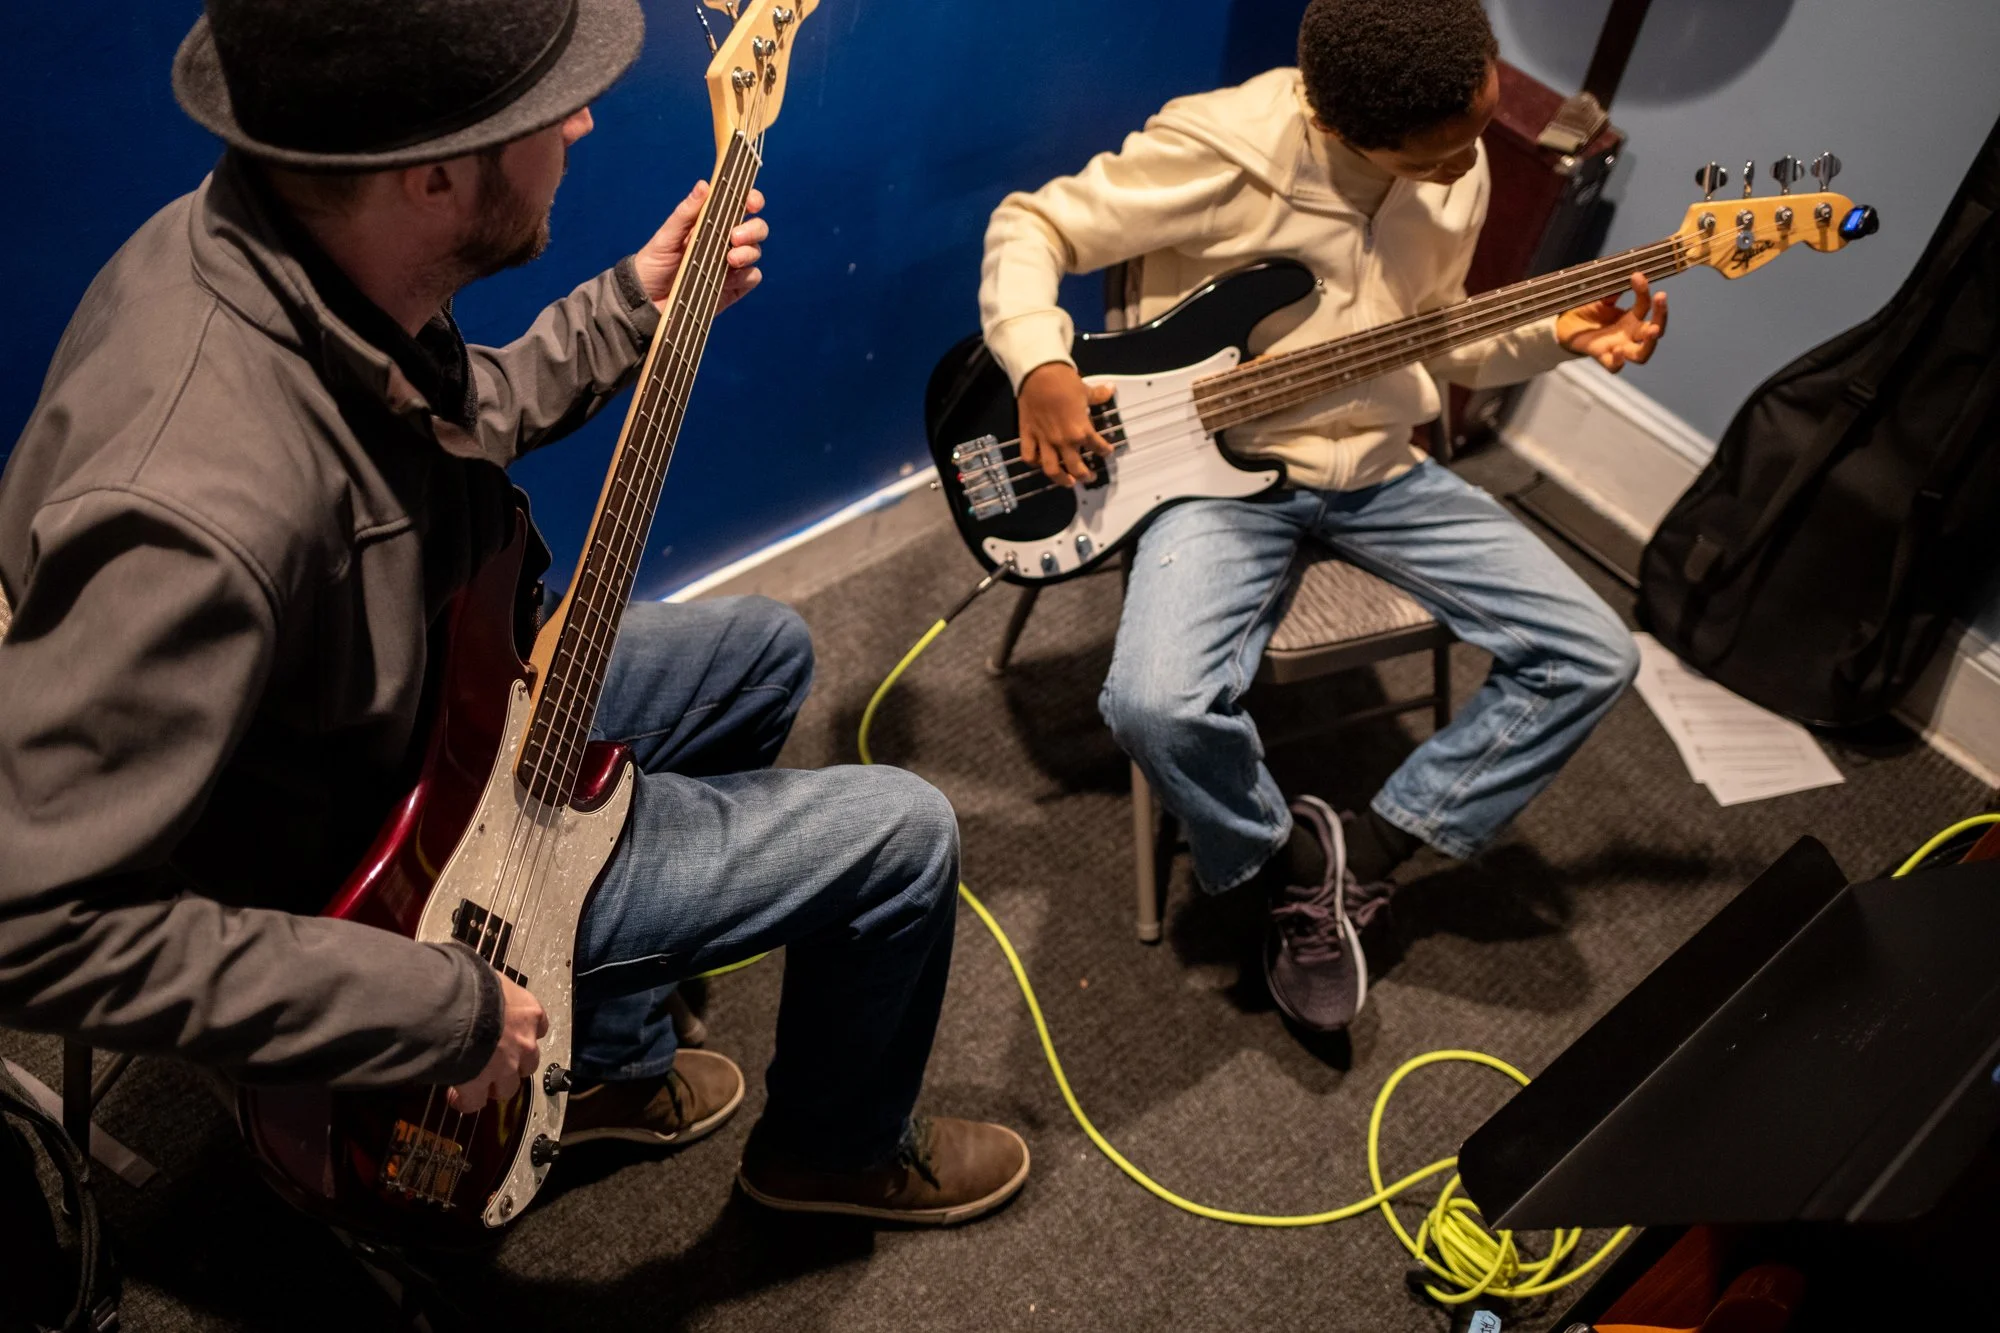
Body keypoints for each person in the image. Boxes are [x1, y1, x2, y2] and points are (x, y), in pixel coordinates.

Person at [0, 0, 1028, 1226]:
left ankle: (605, 1060)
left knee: (765, 650)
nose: (586, 121)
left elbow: (425, 419)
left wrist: (624, 308)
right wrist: (442, 1006)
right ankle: (832, 1153)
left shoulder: (287, 244)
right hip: (384, 881)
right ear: (433, 176)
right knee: (904, 830)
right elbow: (33, 921)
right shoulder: (196, 511)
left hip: (416, 707)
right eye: (555, 109)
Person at [979, 0, 1664, 1035]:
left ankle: (1369, 850)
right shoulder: (1221, 154)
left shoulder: (1454, 145)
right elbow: (1031, 224)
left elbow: (1435, 338)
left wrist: (1553, 337)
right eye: (1440, 156)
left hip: (1380, 466)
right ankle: (1283, 863)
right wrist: (1040, 361)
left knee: (1593, 652)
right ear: (1344, 129)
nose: (1468, 166)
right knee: (1154, 705)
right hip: (1215, 477)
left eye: (1477, 125)